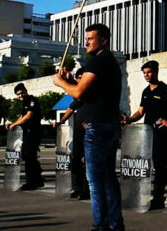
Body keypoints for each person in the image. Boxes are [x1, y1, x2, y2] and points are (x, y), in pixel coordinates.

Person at [54, 23, 124, 231]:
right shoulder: (107, 62)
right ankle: (114, 223)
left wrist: (60, 82)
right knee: (108, 178)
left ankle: (100, 225)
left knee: (95, 181)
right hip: (107, 125)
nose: (86, 42)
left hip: (98, 127)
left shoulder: (99, 61)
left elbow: (79, 93)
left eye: (91, 38)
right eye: (86, 39)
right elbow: (88, 92)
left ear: (104, 39)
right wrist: (69, 82)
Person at [122, 60, 167, 210]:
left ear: (156, 72)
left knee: (160, 166)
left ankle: (158, 199)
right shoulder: (146, 91)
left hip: (160, 135)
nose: (146, 75)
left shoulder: (164, 89)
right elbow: (140, 112)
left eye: (149, 72)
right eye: (144, 73)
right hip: (146, 135)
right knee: (143, 165)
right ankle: (139, 195)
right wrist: (129, 120)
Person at [54, 68, 89, 200]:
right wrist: (60, 121)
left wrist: (67, 80)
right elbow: (70, 109)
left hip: (90, 132)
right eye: (78, 77)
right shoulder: (79, 97)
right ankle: (77, 187)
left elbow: (77, 90)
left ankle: (86, 190)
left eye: (82, 78)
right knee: (75, 160)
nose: (80, 80)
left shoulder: (89, 93)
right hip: (79, 132)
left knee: (88, 163)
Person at [6, 83, 44, 190]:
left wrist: (15, 124)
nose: (20, 96)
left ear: (25, 91)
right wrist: (13, 124)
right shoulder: (24, 103)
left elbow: (29, 115)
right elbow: (22, 116)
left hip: (33, 132)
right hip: (27, 132)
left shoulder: (32, 100)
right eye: (18, 94)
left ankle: (30, 182)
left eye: (22, 93)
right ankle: (38, 180)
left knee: (29, 157)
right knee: (29, 156)